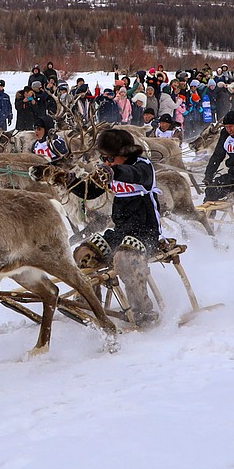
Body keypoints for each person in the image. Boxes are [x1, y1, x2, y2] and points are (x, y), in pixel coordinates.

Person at [62, 128, 162, 327]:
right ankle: (89, 304)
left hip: (146, 233)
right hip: (120, 232)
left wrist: (112, 171)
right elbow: (89, 192)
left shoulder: (143, 168)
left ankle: (143, 311)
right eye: (103, 158)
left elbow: (132, 174)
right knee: (83, 252)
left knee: (124, 258)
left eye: (109, 157)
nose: (105, 162)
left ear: (124, 154)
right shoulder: (110, 169)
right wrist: (68, 181)